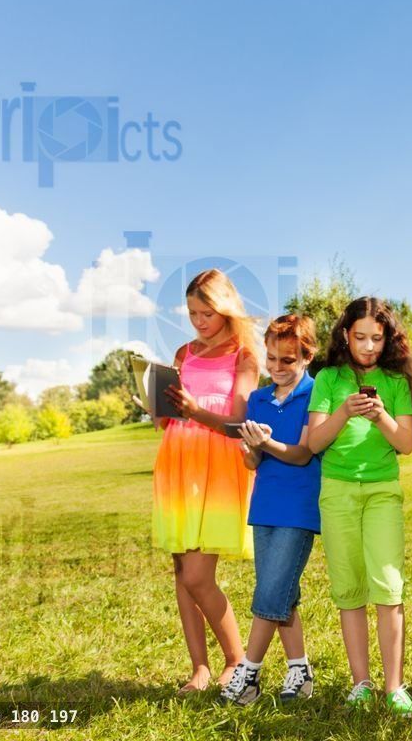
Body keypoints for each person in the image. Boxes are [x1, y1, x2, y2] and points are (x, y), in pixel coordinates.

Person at [307, 297, 412, 717]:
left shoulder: (394, 382)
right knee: (349, 587)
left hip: (381, 492)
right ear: (345, 335)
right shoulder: (328, 378)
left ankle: (395, 686)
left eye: (377, 338)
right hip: (337, 491)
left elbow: (407, 444)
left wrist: (380, 417)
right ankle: (362, 683)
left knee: (389, 587)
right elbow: (314, 443)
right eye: (360, 338)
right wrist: (343, 411)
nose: (369, 346)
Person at [152, 268, 260, 694]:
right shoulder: (184, 352)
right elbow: (168, 417)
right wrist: (158, 407)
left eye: (206, 312)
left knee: (198, 576)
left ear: (226, 309)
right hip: (178, 462)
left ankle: (236, 660)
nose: (198, 321)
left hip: (217, 467)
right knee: (182, 571)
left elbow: (238, 421)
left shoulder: (244, 357)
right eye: (192, 313)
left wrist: (195, 410)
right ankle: (199, 667)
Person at [219, 315, 322, 705]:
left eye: (288, 361)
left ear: (308, 357)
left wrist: (267, 441)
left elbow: (301, 453)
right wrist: (251, 448)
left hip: (299, 509)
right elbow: (251, 464)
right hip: (263, 508)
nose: (277, 368)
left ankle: (249, 673)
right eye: (272, 359)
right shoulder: (257, 399)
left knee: (269, 593)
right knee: (281, 593)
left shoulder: (317, 395)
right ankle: (299, 669)